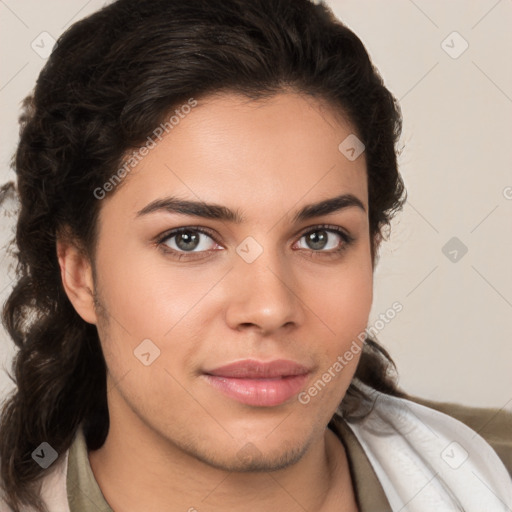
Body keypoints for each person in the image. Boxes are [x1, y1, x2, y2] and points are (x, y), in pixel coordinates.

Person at [0, 0, 510, 511]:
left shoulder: (490, 475)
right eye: (189, 239)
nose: (269, 308)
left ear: (372, 252)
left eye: (320, 237)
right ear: (80, 273)